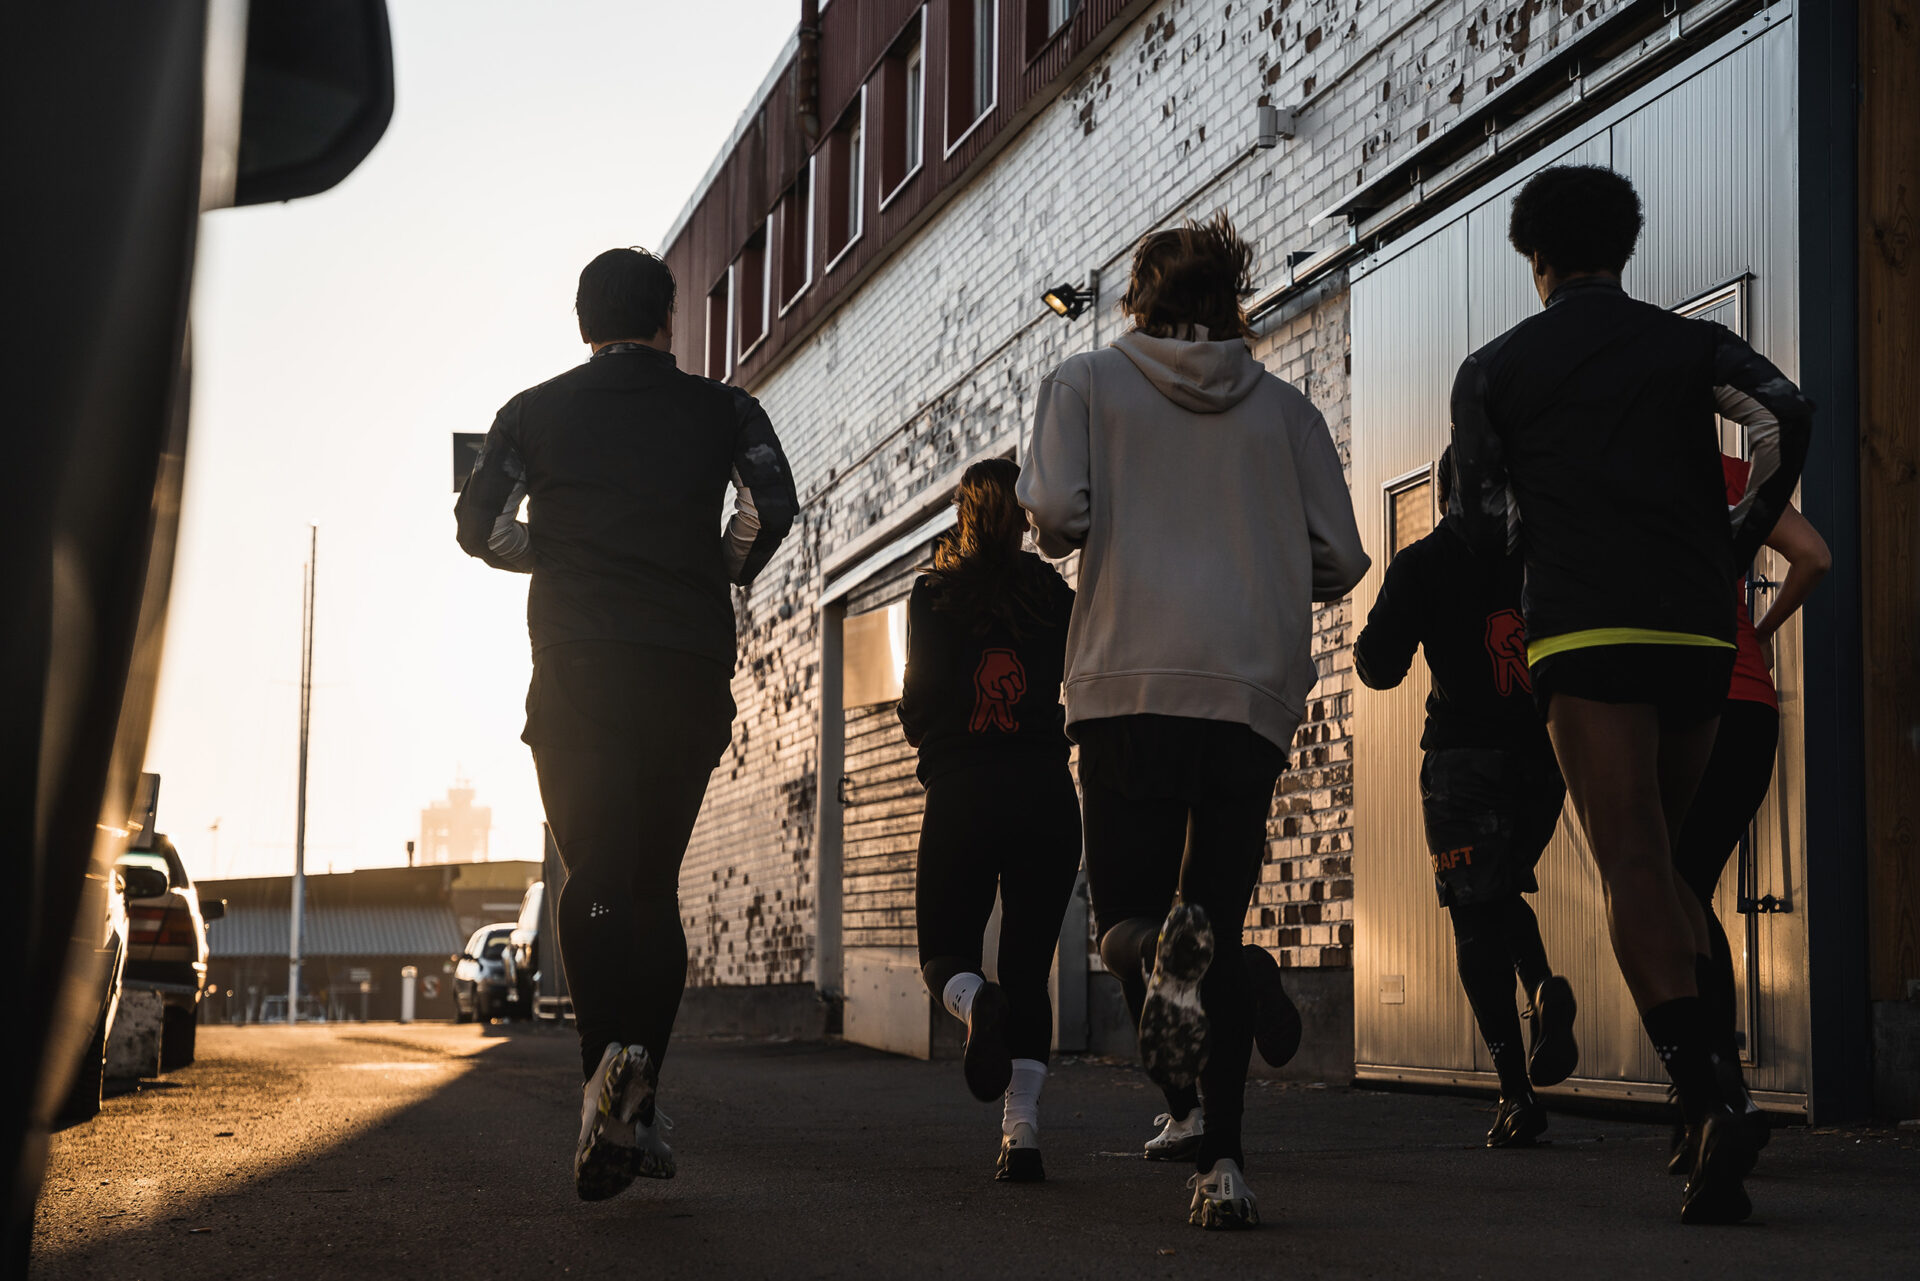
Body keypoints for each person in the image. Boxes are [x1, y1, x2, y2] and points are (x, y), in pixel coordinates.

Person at [1450, 166, 1813, 1224]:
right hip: (1697, 628)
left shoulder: (1493, 369)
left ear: (1535, 260)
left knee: (1636, 867)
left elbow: (1477, 518)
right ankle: (1718, 1093)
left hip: (1587, 627)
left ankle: (1709, 1097)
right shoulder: (1689, 346)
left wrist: (1536, 543)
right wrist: (1736, 538)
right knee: (1673, 861)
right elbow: (1785, 414)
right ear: (1626, 247)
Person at [1020, 213, 1370, 1230]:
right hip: (1246, 697)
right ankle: (1222, 1169)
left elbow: (1055, 517)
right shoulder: (1287, 413)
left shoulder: (1087, 382)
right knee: (1215, 914)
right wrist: (1262, 563)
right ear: (1233, 298)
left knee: (1130, 922)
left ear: (1138, 297)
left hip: (1127, 685)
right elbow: (1343, 559)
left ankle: (1194, 972)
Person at [455, 247, 797, 1201]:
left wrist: (551, 552)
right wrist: (720, 564)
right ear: (666, 320)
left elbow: (476, 526)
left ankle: (603, 1075)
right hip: (685, 668)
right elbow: (771, 503)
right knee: (651, 884)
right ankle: (637, 1091)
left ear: (582, 322)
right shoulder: (725, 408)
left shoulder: (531, 412)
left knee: (597, 877)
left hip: (579, 670)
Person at [1353, 446, 1578, 1148]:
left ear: (1445, 491)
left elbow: (1379, 666)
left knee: (1477, 914)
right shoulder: (1542, 554)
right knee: (1500, 886)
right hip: (1544, 757)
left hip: (1463, 763)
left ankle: (1516, 1093)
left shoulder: (1425, 562)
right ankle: (1541, 985)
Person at [897, 458, 1080, 1184]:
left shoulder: (933, 594)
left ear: (964, 516)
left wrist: (929, 731)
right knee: (1030, 968)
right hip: (1044, 793)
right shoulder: (1054, 595)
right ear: (1027, 514)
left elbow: (918, 702)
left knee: (944, 956)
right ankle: (1022, 1132)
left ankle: (977, 1003)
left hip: (963, 794)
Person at [1666, 454, 1829, 1172]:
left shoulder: (1620, 467)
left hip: (1682, 710)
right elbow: (1815, 556)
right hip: (1749, 709)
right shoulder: (1733, 475)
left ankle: (1715, 1091)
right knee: (1688, 887)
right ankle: (1709, 1096)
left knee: (1671, 892)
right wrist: (1759, 633)